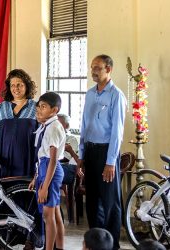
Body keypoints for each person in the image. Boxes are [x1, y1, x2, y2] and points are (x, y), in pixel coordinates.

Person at [0, 69, 38, 250]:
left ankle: (26, 239)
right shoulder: (2, 107)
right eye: (12, 85)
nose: (16, 88)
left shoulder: (35, 107)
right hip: (5, 161)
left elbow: (42, 134)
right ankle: (0, 239)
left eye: (19, 84)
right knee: (0, 198)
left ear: (26, 85)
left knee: (26, 199)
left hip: (27, 160)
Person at [77, 54, 126, 250]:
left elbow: (117, 132)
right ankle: (95, 243)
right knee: (92, 200)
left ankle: (112, 245)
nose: (93, 71)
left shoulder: (116, 95)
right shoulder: (89, 94)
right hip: (90, 151)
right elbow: (84, 125)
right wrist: (81, 155)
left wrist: (110, 162)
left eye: (97, 68)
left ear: (109, 69)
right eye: (92, 68)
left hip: (107, 153)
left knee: (110, 202)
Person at [29, 92, 66, 250]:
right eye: (38, 106)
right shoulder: (47, 126)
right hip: (44, 169)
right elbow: (41, 157)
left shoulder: (53, 128)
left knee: (47, 215)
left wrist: (44, 187)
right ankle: (60, 247)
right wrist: (36, 178)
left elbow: (52, 159)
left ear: (54, 110)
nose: (39, 110)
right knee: (55, 215)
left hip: (51, 169)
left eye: (43, 107)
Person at [57, 114, 80, 223]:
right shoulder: (52, 135)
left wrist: (70, 150)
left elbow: (76, 159)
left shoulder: (72, 138)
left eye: (60, 123)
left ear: (66, 126)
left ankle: (56, 212)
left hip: (66, 166)